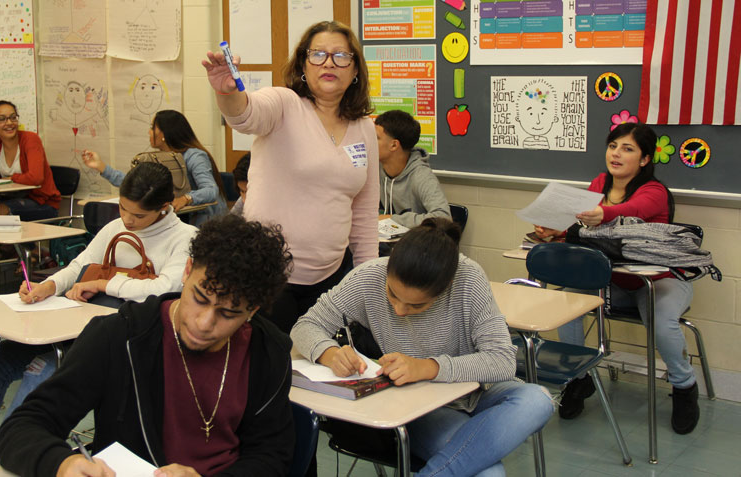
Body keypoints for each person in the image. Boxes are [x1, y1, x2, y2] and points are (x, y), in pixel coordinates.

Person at [0, 215, 295, 477]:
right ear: (187, 270)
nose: (204, 323)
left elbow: (271, 457)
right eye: (200, 298)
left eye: (228, 313)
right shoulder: (120, 336)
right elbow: (23, 426)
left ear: (252, 311)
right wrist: (59, 463)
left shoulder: (267, 353)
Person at [0, 162, 198, 456]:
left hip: (122, 340)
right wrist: (48, 286)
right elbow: (79, 264)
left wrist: (105, 284)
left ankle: (5, 459)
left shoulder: (184, 237)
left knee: (43, 368)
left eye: (138, 214)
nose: (127, 220)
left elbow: (165, 289)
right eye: (122, 209)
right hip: (75, 325)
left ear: (165, 207)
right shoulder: (115, 227)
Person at [291, 218, 553, 476]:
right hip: (422, 407)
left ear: (446, 286)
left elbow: (503, 361)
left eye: (417, 305)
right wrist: (329, 353)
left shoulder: (468, 279)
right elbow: (305, 326)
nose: (399, 310)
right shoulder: (369, 277)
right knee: (488, 473)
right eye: (392, 294)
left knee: (538, 399)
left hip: (477, 392)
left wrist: (428, 367)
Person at [204, 20, 379, 334]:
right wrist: (226, 92)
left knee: (322, 370)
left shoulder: (364, 128)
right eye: (318, 55)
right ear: (303, 64)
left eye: (341, 56)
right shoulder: (284, 104)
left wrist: (366, 282)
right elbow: (245, 115)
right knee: (272, 369)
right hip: (269, 278)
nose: (329, 62)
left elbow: (365, 213)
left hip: (332, 279)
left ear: (355, 71)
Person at [534, 123, 700, 434]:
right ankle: (579, 379)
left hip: (660, 281)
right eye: (613, 146)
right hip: (613, 281)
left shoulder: (654, 191)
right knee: (569, 302)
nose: (617, 153)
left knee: (661, 320)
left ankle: (684, 386)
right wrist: (555, 230)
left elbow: (630, 211)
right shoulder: (599, 182)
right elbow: (583, 228)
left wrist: (601, 213)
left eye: (628, 148)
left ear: (645, 159)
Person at [81, 109, 228, 226]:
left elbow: (211, 190)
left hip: (205, 223)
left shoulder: (195, 156)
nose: (149, 132)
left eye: (152, 128)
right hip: (177, 219)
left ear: (163, 134)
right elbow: (138, 186)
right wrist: (101, 167)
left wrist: (186, 198)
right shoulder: (159, 158)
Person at [375, 110, 450, 227]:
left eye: (376, 138)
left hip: (413, 243)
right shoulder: (374, 168)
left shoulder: (421, 175)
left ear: (394, 145)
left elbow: (444, 217)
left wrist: (392, 219)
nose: (368, 141)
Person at [229, 152, 250, 216]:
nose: (244, 200)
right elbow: (230, 219)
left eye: (249, 193)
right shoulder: (241, 202)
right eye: (242, 191)